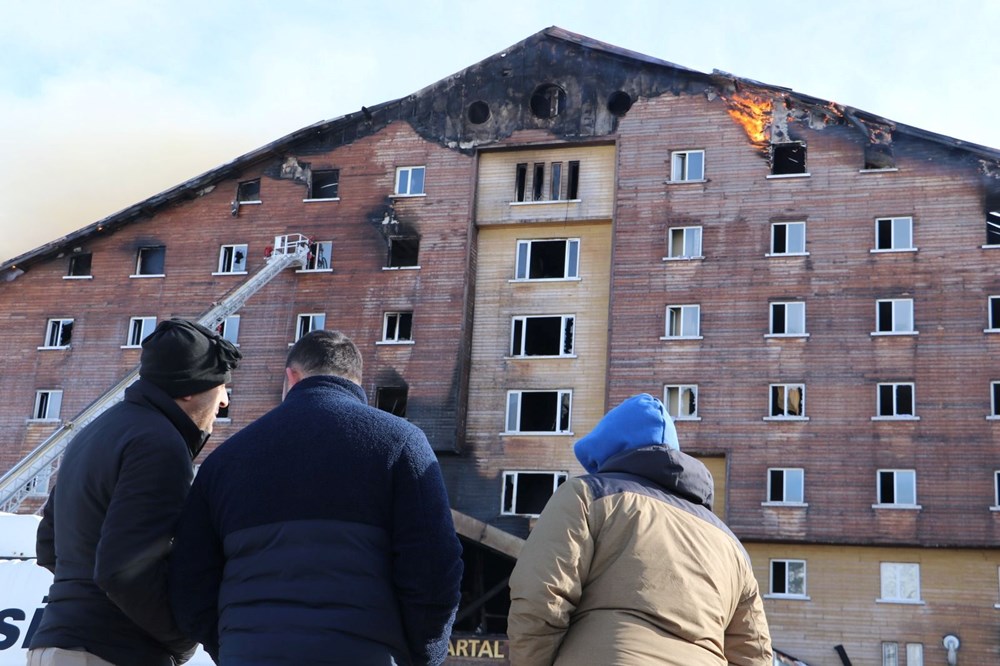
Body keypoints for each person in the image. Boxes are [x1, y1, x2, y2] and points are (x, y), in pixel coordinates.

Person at [168, 329, 464, 665]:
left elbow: (189, 582)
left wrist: (231, 648)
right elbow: (435, 568)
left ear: (290, 377)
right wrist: (422, 656)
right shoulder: (401, 444)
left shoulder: (224, 460)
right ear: (356, 381)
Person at [28, 318, 242, 666]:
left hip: (55, 644)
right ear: (188, 388)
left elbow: (49, 544)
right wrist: (183, 639)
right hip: (110, 652)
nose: (224, 401)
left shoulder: (96, 431)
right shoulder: (159, 444)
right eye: (221, 387)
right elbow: (123, 569)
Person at [507, 393, 772, 666]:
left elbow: (541, 600)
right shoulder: (729, 545)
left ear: (604, 455)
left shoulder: (586, 495)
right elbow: (755, 652)